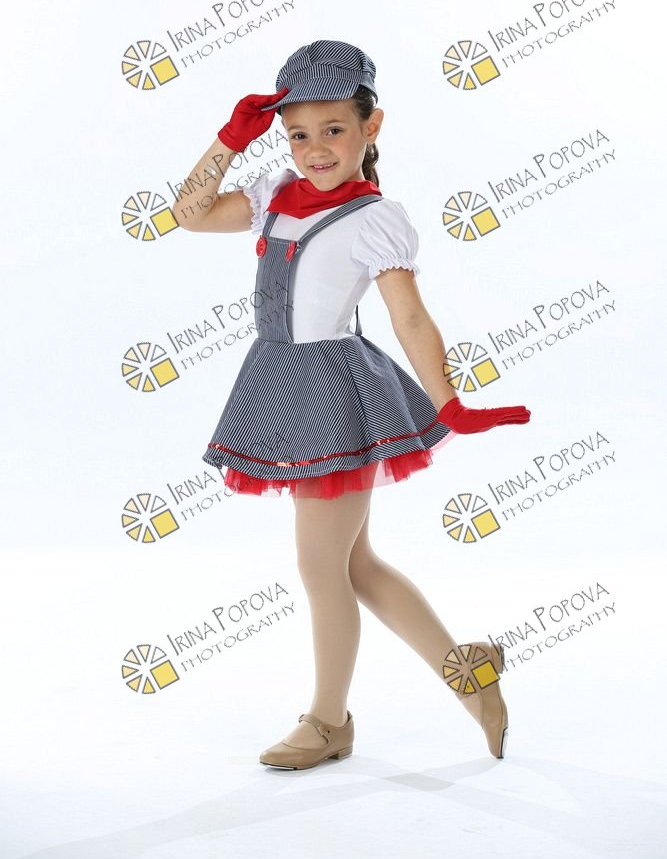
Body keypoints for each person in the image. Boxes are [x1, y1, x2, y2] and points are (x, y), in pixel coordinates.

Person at [173, 39, 531, 770]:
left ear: (371, 127)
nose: (314, 149)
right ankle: (470, 676)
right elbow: (189, 214)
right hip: (280, 381)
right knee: (356, 565)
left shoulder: (373, 217)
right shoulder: (274, 194)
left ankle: (329, 721)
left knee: (320, 567)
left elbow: (410, 318)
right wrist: (229, 138)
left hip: (334, 393)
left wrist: (448, 402)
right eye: (297, 133)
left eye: (333, 129)